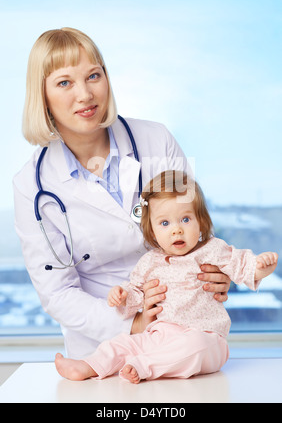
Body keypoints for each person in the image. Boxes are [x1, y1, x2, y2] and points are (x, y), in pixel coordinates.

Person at [14, 27, 231, 359]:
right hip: (100, 344)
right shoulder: (32, 185)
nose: (85, 94)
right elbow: (57, 292)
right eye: (64, 82)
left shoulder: (155, 141)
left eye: (93, 75)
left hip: (180, 323)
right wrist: (134, 325)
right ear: (41, 96)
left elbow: (194, 231)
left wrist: (213, 274)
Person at [54, 170, 278, 383]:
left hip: (205, 335)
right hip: (160, 335)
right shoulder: (150, 262)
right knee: (122, 344)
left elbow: (241, 265)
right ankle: (88, 366)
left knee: (195, 347)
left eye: (186, 219)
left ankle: (143, 366)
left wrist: (260, 267)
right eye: (165, 223)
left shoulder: (211, 249)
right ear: (152, 231)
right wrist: (122, 295)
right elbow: (136, 294)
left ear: (201, 221)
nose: (176, 230)